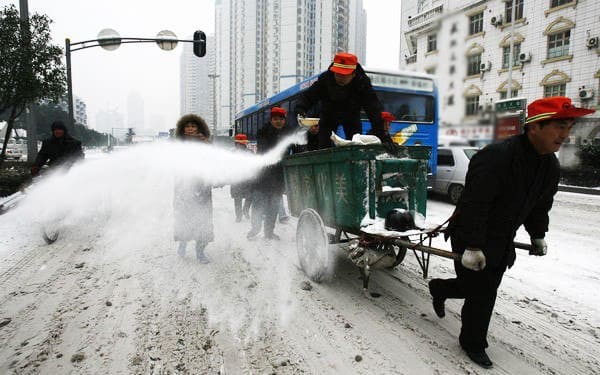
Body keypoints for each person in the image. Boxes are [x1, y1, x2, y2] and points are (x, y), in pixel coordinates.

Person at [427, 96, 595, 369]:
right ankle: (472, 342)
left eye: (568, 128)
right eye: (559, 127)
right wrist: (471, 245)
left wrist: (537, 234)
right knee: (484, 291)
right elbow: (474, 203)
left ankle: (439, 287)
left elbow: (540, 205)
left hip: (502, 236)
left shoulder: (549, 165)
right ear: (535, 126)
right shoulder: (497, 156)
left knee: (479, 286)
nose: (565, 135)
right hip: (472, 230)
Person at [295, 52, 392, 149]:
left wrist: (383, 136)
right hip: (328, 114)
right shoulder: (326, 78)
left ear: (353, 74)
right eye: (338, 74)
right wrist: (300, 108)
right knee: (324, 144)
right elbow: (309, 96)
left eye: (344, 75)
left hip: (352, 115)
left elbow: (373, 109)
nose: (340, 78)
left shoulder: (362, 82)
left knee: (356, 143)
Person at [173, 114, 214, 263]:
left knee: (203, 219)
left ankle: (200, 251)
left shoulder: (205, 143)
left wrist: (206, 144)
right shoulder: (178, 144)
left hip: (202, 186)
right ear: (183, 129)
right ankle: (183, 243)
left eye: (193, 126)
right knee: (184, 217)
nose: (190, 129)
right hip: (183, 187)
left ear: (199, 128)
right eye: (187, 126)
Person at [247, 107, 288, 240]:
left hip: (277, 179)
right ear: (271, 120)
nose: (278, 122)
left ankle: (269, 232)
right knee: (258, 207)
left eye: (281, 119)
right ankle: (255, 229)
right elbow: (265, 150)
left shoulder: (287, 133)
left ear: (284, 120)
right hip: (262, 179)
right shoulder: (263, 132)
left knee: (273, 208)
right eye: (275, 119)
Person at [230, 133, 253, 222]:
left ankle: (246, 210)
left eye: (243, 143)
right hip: (236, 179)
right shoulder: (232, 153)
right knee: (237, 198)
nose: (241, 145)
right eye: (239, 143)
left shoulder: (250, 152)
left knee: (250, 196)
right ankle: (238, 215)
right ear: (236, 144)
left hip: (247, 179)